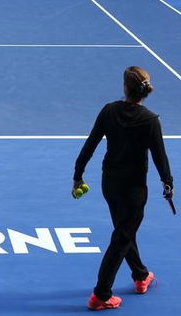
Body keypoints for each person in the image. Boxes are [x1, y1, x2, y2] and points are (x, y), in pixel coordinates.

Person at [73, 66, 174, 311]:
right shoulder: (150, 120)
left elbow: (90, 145)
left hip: (110, 184)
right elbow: (160, 158)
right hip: (133, 190)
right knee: (122, 237)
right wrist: (168, 184)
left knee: (124, 230)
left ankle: (140, 276)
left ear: (125, 88)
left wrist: (78, 176)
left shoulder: (109, 111)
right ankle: (101, 295)